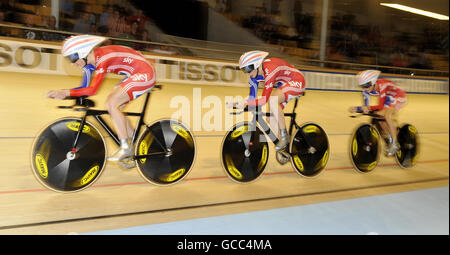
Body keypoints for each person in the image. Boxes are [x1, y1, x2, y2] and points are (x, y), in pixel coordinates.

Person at [46, 34, 156, 162]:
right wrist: (64, 94)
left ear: (82, 52)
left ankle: (126, 147)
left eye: (72, 58)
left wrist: (66, 92)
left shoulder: (102, 59)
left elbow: (92, 90)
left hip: (145, 73)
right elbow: (84, 88)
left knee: (111, 103)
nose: (72, 64)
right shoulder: (89, 63)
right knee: (115, 108)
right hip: (136, 72)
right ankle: (135, 143)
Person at [227, 51, 306, 151]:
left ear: (256, 64)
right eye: (244, 70)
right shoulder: (253, 77)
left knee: (272, 100)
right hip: (284, 84)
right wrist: (238, 103)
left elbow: (263, 100)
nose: (247, 73)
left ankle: (284, 136)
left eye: (248, 69)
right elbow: (251, 98)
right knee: (270, 118)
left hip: (297, 79)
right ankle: (286, 147)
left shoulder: (269, 69)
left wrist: (246, 103)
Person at [349, 70, 407, 156]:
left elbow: (379, 106)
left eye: (367, 86)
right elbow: (366, 107)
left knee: (387, 115)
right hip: (389, 97)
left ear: (373, 82)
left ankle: (394, 144)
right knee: (378, 117)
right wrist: (358, 109)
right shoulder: (365, 91)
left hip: (398, 96)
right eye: (362, 86)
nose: (365, 89)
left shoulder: (382, 85)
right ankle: (390, 138)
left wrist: (362, 108)